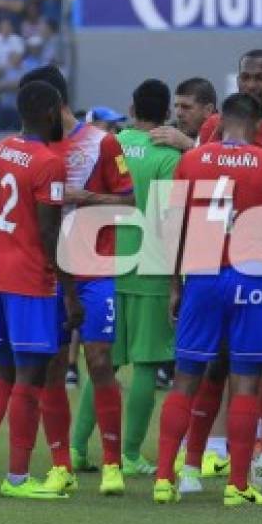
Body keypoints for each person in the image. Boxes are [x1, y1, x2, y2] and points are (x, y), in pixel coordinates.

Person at [153, 93, 262, 506]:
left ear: (220, 122)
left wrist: (175, 284)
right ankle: (237, 485)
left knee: (186, 377)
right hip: (252, 279)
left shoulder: (192, 161)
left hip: (203, 275)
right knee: (246, 382)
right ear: (254, 125)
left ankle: (164, 479)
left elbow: (172, 227)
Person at [0, 81, 82, 500]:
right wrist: (69, 292)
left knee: (1, 372)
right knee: (30, 378)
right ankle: (17, 477)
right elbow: (50, 232)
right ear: (51, 113)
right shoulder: (48, 163)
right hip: (28, 280)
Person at [18, 65, 133, 497]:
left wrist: (86, 197)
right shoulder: (29, 150)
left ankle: (112, 466)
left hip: (95, 267)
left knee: (100, 361)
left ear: (56, 105)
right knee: (50, 365)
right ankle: (61, 465)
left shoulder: (102, 143)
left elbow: (130, 203)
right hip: (44, 273)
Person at [73, 79, 180, 477]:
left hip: (105, 265)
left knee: (104, 365)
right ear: (167, 110)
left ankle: (77, 447)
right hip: (151, 268)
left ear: (132, 107)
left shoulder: (109, 144)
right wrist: (175, 281)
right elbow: (170, 220)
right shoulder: (169, 155)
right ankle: (131, 453)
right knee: (148, 365)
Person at [149, 77, 217, 153]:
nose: (178, 113)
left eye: (186, 107)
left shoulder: (226, 134)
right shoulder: (169, 133)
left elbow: (216, 162)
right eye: (176, 106)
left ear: (208, 110)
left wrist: (190, 145)